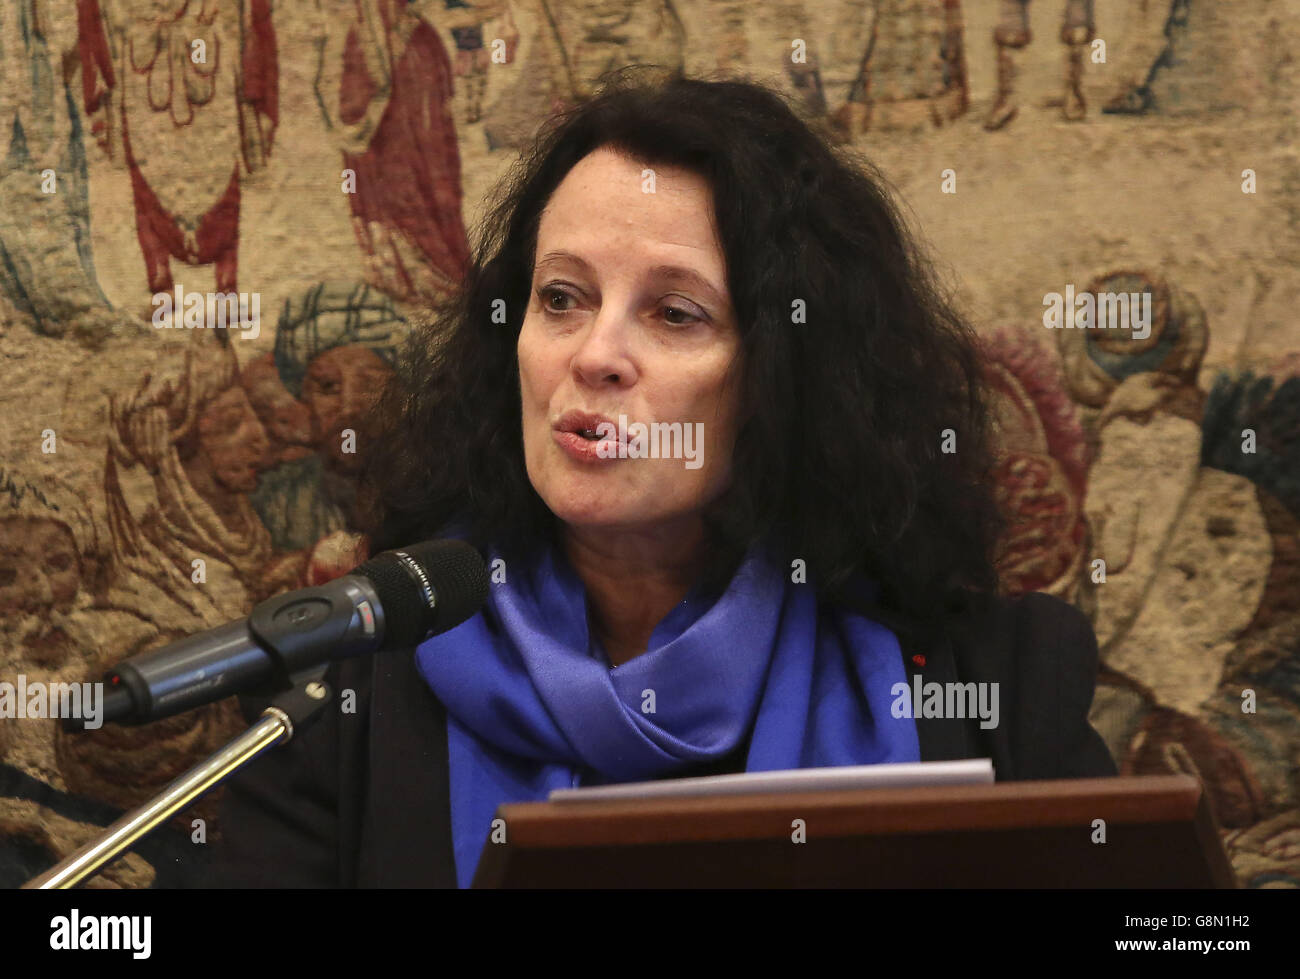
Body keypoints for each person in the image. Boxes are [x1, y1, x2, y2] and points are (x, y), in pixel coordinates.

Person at [209, 67, 1116, 889]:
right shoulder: (342, 695)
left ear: (783, 376)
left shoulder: (995, 680)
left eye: (675, 313)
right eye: (561, 297)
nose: (595, 355)